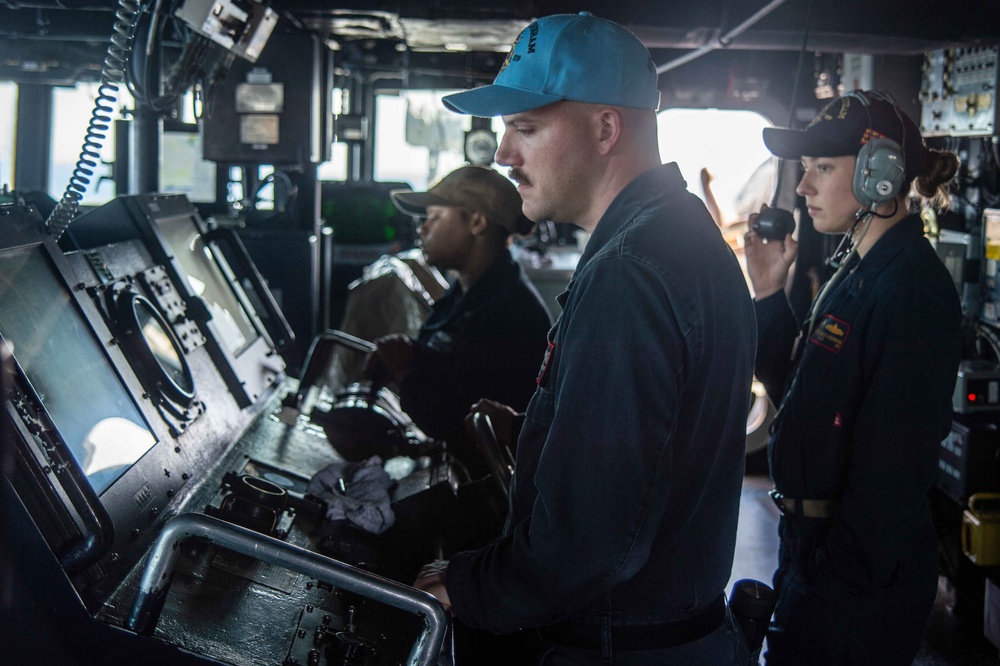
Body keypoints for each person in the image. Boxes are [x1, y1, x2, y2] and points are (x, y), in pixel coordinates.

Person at [413, 13, 757, 665]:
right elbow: (660, 446)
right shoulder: (681, 233)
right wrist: (550, 431)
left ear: (606, 128)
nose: (503, 156)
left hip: (622, 647)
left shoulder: (631, 271)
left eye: (526, 128)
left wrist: (468, 584)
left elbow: (592, 542)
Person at [744, 90, 962, 665]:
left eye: (822, 168)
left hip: (851, 580)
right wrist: (769, 295)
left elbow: (890, 476)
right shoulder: (855, 271)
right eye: (806, 168)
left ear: (879, 175)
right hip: (813, 553)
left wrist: (828, 586)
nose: (802, 187)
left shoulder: (911, 289)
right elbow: (801, 394)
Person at [365, 165, 552, 477]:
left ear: (477, 221)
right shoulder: (467, 291)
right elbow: (450, 363)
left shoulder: (507, 313)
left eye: (434, 217)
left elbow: (454, 422)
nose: (422, 229)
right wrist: (412, 353)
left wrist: (402, 371)